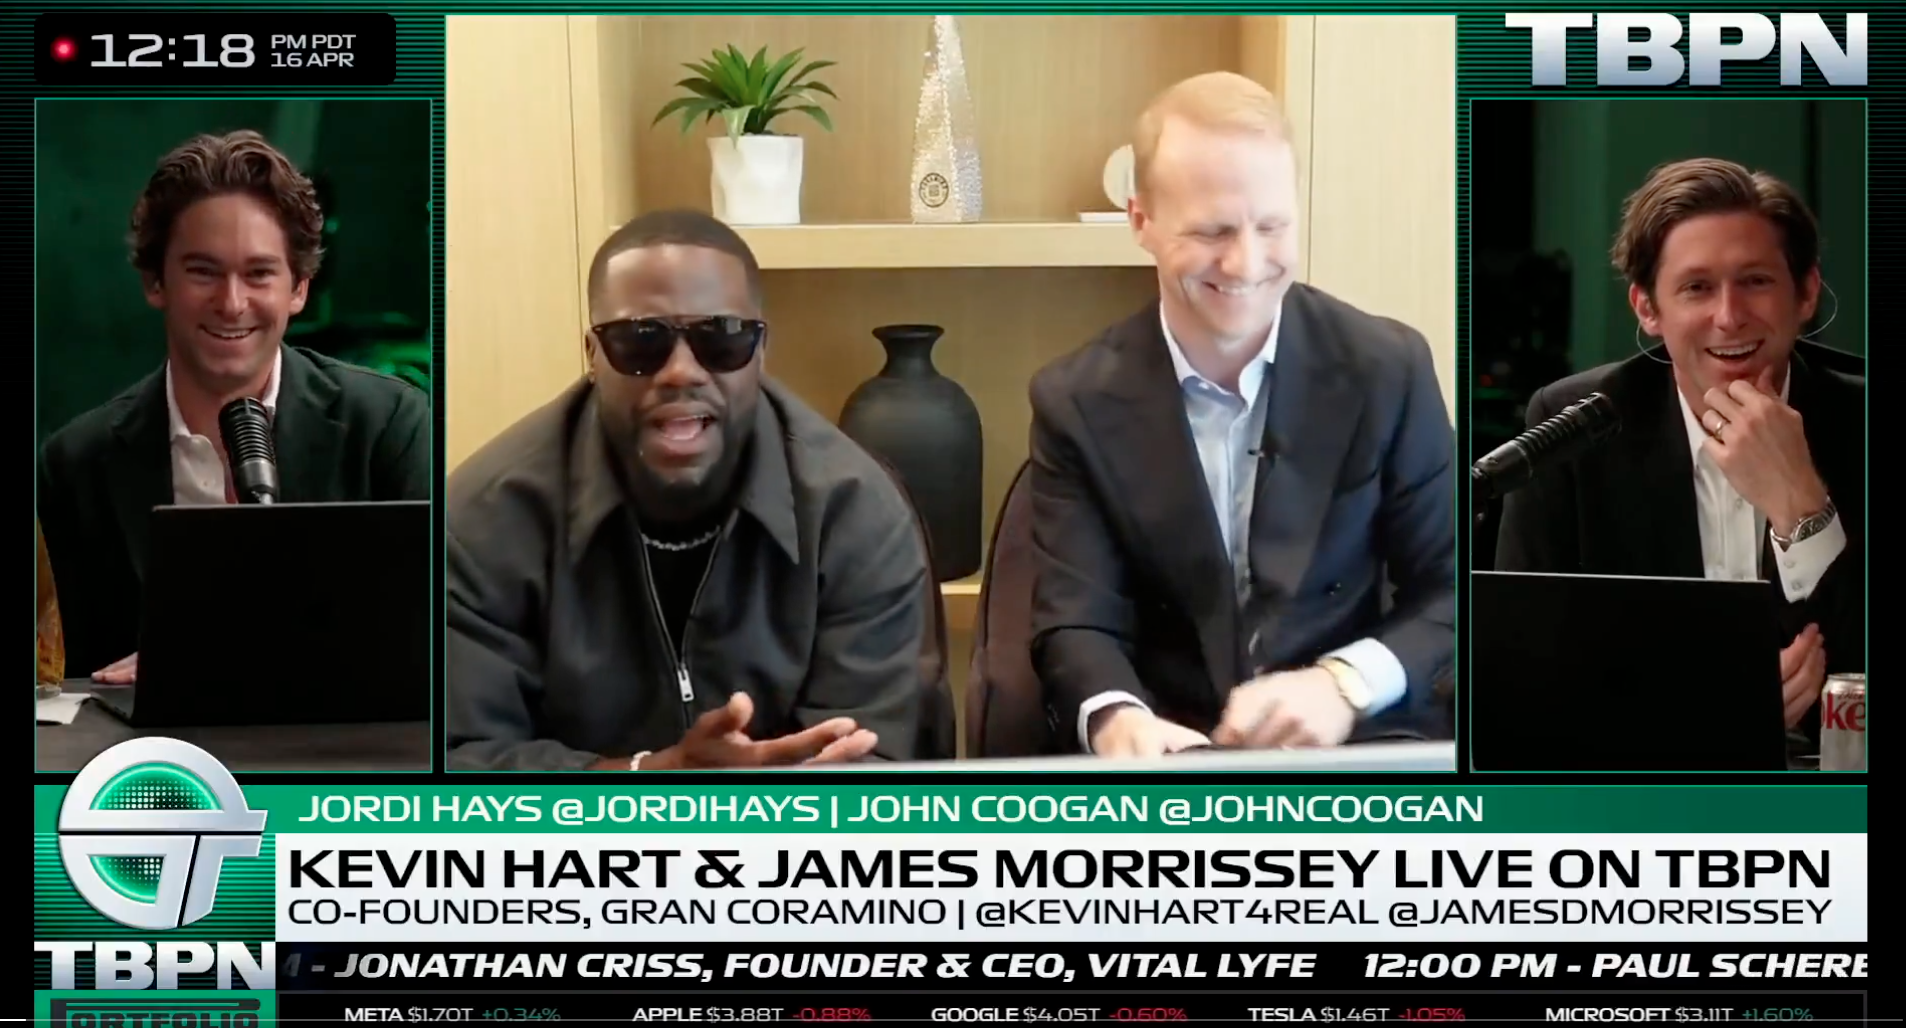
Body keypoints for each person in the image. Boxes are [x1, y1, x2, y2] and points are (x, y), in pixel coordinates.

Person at [1028, 72, 1456, 758]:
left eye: (1272, 226)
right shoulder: (1073, 400)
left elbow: (1453, 590)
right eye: (1213, 231)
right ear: (1141, 221)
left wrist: (1342, 684)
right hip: (1174, 753)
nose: (1248, 262)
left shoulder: (1389, 368)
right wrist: (1117, 718)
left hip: (1360, 747)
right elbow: (1076, 622)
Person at [446, 210, 931, 771]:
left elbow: (867, 754)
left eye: (721, 339)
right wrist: (651, 780)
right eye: (639, 341)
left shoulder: (852, 510)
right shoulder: (487, 517)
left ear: (760, 351)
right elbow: (463, 757)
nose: (680, 372)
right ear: (592, 355)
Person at [35, 130, 432, 683]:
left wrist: (222, 660)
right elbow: (62, 682)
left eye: (259, 273)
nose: (232, 302)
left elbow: (432, 650)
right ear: (156, 281)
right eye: (203, 271)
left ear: (299, 289)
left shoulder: (389, 429)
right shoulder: (75, 464)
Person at [1496, 158, 1863, 740]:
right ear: (1648, 309)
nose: (1728, 316)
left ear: (1806, 293)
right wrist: (1704, 715)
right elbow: (1523, 683)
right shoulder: (1573, 427)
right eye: (1697, 288)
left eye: (1756, 281)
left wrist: (1801, 506)